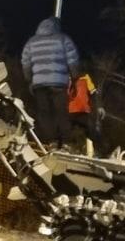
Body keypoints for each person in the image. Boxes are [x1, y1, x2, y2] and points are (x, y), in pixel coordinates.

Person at [20, 17, 81, 147]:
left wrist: (29, 80)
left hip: (39, 84)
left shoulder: (32, 42)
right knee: (61, 112)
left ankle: (51, 141)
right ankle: (66, 142)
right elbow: (72, 60)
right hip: (58, 82)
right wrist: (75, 78)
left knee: (44, 113)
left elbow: (25, 62)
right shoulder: (63, 39)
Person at [66, 73, 109, 157]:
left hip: (82, 110)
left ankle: (104, 151)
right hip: (69, 111)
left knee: (91, 131)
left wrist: (99, 106)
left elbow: (93, 93)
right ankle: (73, 148)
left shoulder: (85, 78)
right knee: (67, 130)